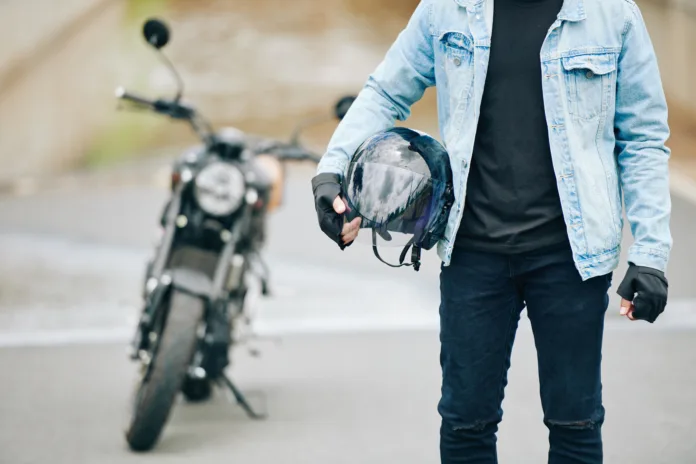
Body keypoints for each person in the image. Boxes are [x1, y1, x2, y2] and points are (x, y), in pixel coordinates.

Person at [311, 0, 671, 462]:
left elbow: (641, 138)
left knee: (575, 424)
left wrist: (651, 254)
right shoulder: (447, 9)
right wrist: (333, 169)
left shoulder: (611, 14)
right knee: (465, 424)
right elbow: (386, 91)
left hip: (572, 257)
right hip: (472, 253)